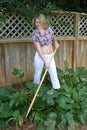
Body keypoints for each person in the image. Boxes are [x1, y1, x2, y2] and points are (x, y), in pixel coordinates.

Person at [30, 14, 60, 89]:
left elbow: (53, 36)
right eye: (36, 22)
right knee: (37, 74)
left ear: (43, 22)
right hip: (40, 57)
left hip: (50, 55)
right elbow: (39, 49)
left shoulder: (48, 29)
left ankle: (57, 90)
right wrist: (45, 62)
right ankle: (35, 90)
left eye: (39, 22)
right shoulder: (35, 34)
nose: (37, 24)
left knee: (54, 74)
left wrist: (56, 42)